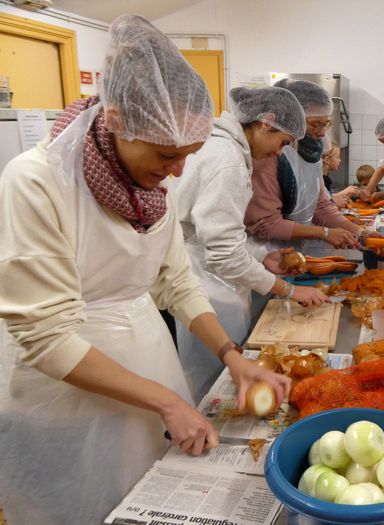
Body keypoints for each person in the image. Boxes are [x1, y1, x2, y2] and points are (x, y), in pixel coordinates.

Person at [0, 16, 290, 525]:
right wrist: (166, 401)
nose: (177, 172)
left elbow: (176, 281)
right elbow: (45, 338)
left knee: (139, 488)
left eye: (187, 157)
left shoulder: (150, 184)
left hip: (142, 356)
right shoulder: (37, 181)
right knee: (75, 505)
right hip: (61, 384)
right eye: (166, 155)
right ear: (114, 120)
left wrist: (232, 356)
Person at [173, 86, 328, 403]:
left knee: (229, 371)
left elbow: (222, 232)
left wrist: (262, 256)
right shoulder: (227, 160)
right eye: (282, 142)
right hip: (205, 281)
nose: (279, 153)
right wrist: (288, 290)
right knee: (214, 383)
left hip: (208, 272)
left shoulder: (225, 149)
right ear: (266, 123)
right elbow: (223, 252)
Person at [245, 79, 374, 250]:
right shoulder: (268, 154)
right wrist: (324, 233)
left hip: (290, 251)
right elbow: (266, 225)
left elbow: (321, 206)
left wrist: (361, 233)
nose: (321, 133)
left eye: (326, 123)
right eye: (315, 124)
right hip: (261, 253)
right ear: (291, 118)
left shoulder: (311, 153)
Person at [322, 138, 358, 208]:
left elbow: (329, 195)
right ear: (327, 160)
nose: (340, 160)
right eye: (338, 157)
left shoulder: (326, 179)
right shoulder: (320, 181)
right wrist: (343, 193)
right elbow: (325, 202)